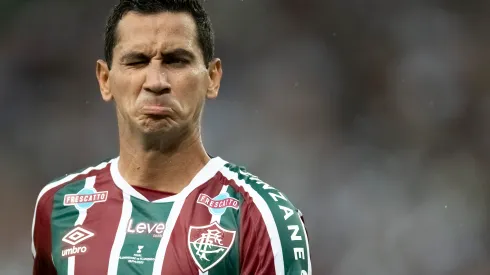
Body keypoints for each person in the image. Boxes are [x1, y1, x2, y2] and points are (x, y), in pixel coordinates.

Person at [31, 0, 312, 274]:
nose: (156, 82)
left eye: (176, 61)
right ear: (105, 80)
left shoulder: (261, 218)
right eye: (137, 61)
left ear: (212, 78)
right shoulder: (58, 206)